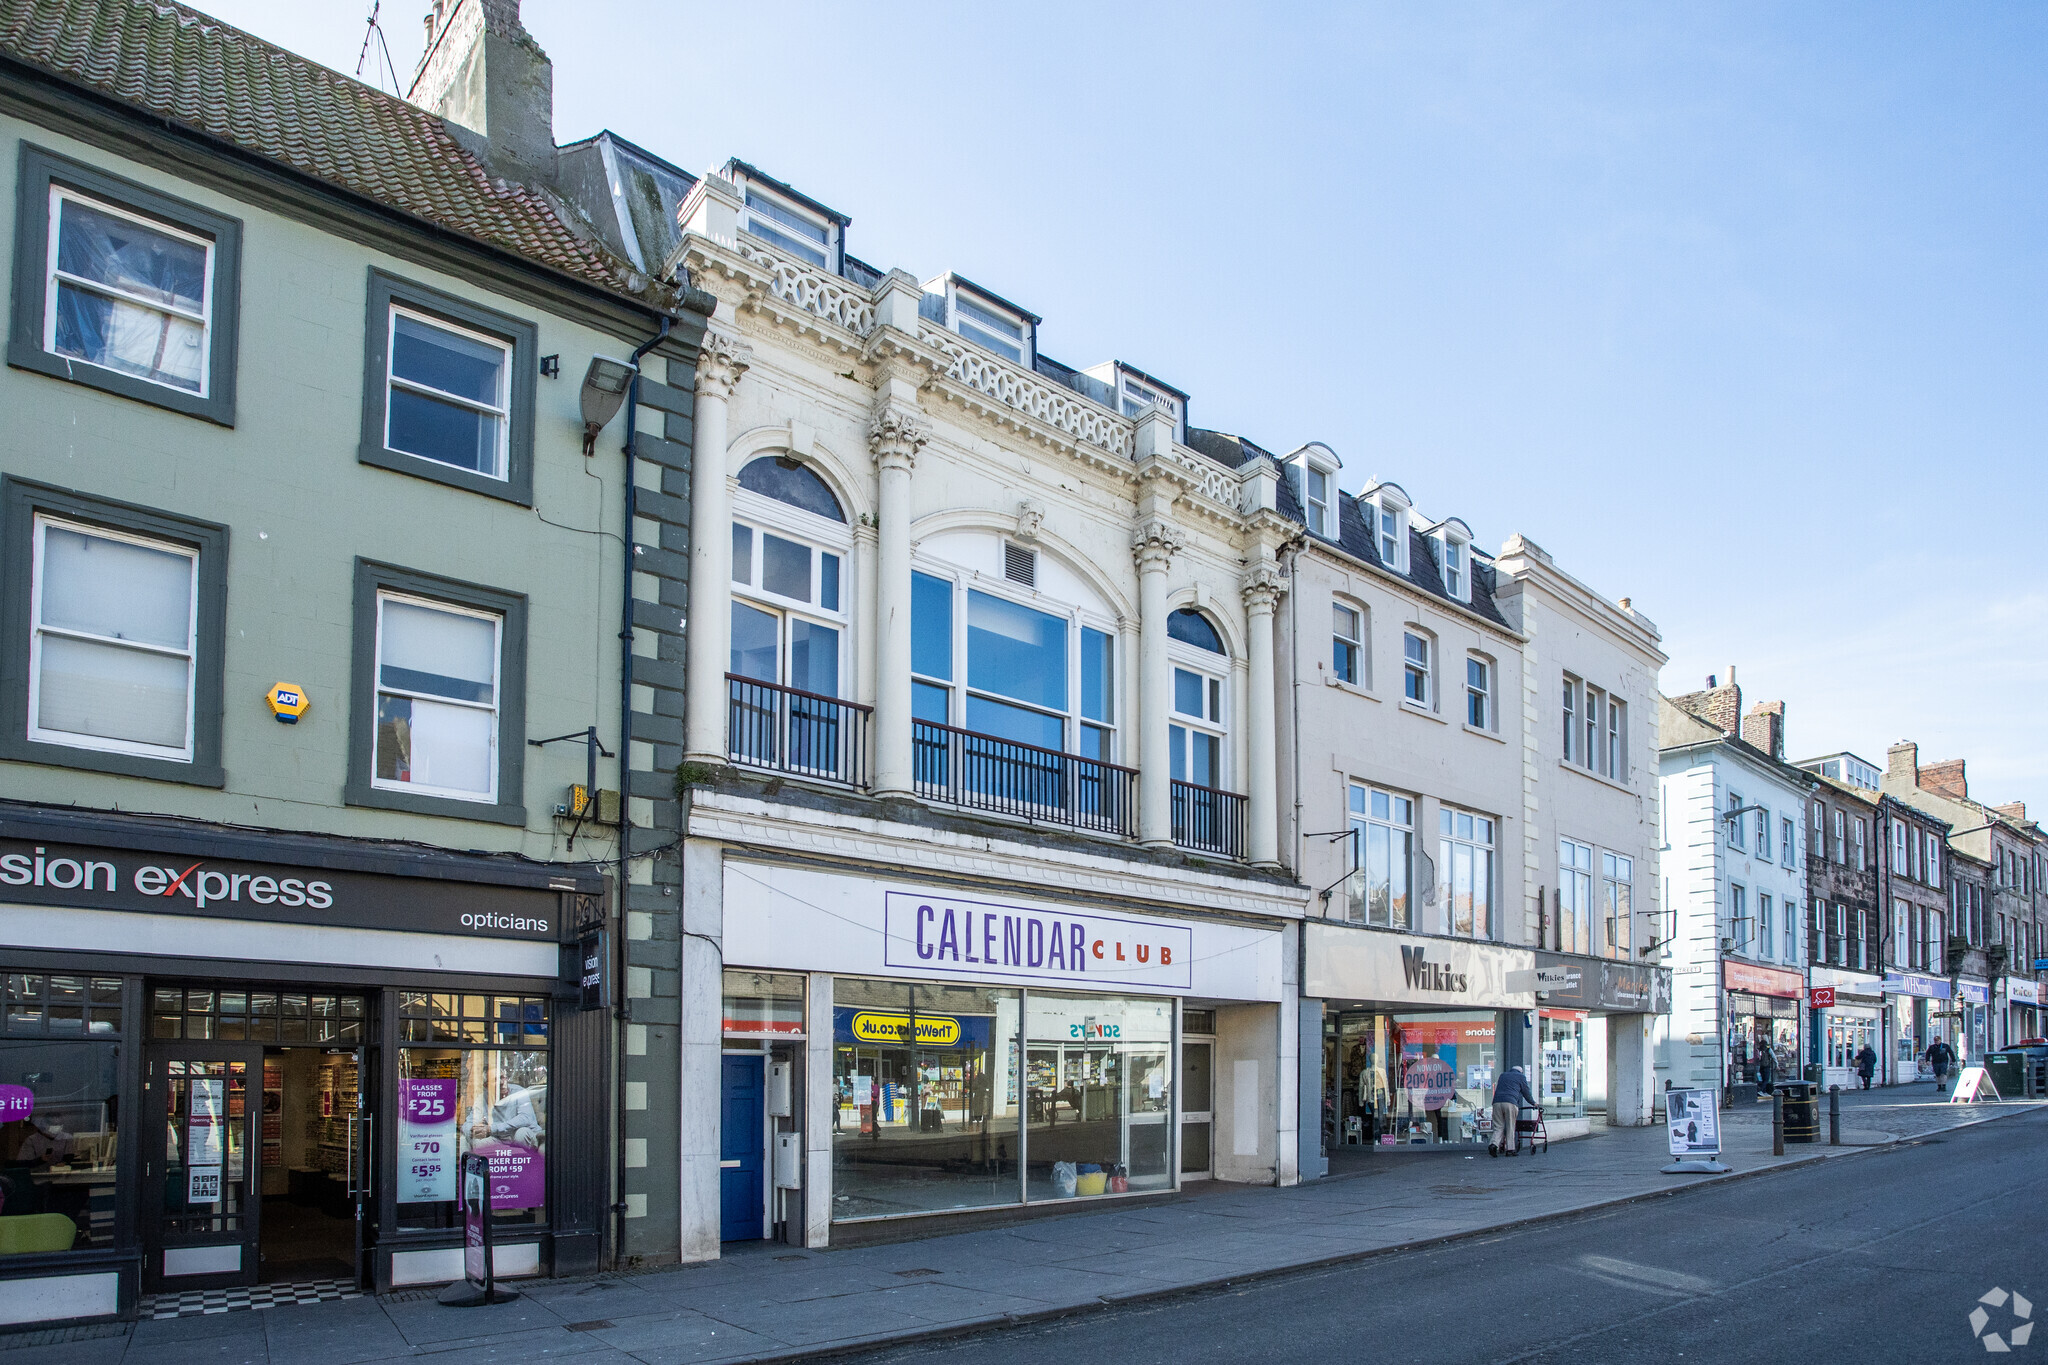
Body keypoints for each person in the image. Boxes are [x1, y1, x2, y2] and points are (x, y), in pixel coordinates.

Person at [1489, 1064, 1537, 1157]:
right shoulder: (1521, 1077)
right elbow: (1526, 1092)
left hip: (1496, 1102)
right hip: (1510, 1102)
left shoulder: (1503, 1075)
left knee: (1498, 1126)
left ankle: (1493, 1144)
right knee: (1510, 1126)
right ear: (1521, 1071)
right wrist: (1533, 1103)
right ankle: (1510, 1149)